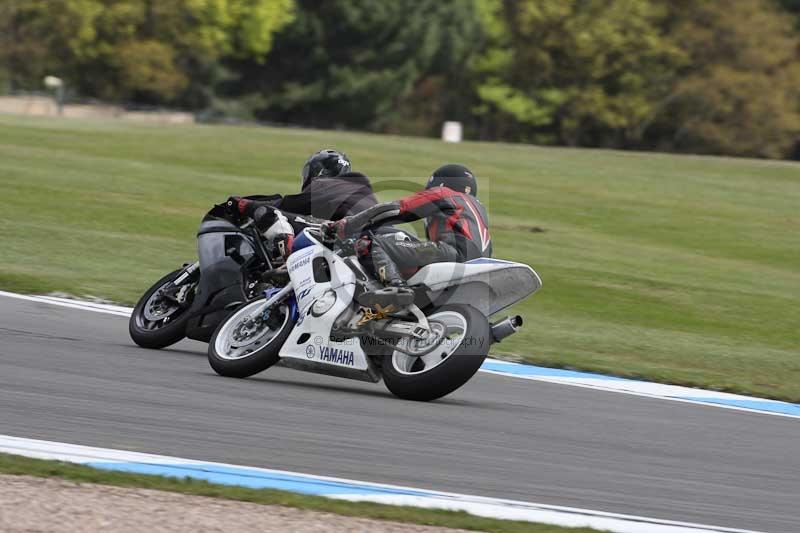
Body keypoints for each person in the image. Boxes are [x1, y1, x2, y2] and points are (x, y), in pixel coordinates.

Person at [325, 164, 492, 307]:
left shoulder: (444, 193)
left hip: (453, 253)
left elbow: (397, 209)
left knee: (368, 243)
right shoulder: (478, 208)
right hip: (480, 264)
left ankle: (397, 288)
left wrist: (348, 224)